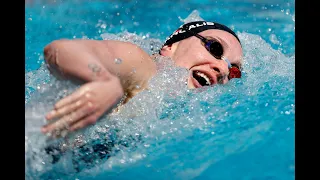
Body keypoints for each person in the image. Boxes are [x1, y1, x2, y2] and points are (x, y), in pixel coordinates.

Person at [41, 20, 243, 137]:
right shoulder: (141, 66)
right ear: (171, 46)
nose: (223, 69)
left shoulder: (183, 118)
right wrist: (103, 81)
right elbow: (61, 49)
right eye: (215, 48)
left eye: (234, 71)